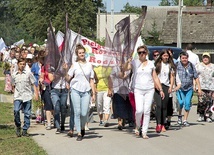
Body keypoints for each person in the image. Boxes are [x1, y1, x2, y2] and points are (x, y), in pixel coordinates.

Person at [123, 45, 164, 139]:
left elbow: (155, 77)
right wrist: (127, 62)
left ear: (146, 53)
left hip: (149, 89)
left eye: (143, 52)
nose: (141, 54)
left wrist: (160, 89)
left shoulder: (150, 64)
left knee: (146, 111)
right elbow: (125, 69)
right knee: (139, 110)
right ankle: (137, 125)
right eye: (140, 53)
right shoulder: (134, 62)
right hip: (138, 89)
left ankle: (144, 131)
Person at [66, 44, 95, 141]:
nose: (81, 54)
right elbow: (68, 78)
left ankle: (82, 127)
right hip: (75, 90)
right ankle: (78, 132)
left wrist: (93, 93)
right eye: (80, 53)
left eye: (83, 53)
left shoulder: (90, 65)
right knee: (77, 112)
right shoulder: (75, 65)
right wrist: (66, 70)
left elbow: (91, 80)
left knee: (84, 112)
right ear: (77, 55)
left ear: (85, 54)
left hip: (86, 90)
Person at [176, 52, 202, 126]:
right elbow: (172, 75)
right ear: (180, 58)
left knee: (187, 104)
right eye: (183, 58)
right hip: (180, 88)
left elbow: (196, 77)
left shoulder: (191, 65)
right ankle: (179, 116)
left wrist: (199, 88)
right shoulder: (177, 65)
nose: (184, 59)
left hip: (189, 88)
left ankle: (185, 120)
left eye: (186, 58)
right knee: (180, 103)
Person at [12, 58, 36, 137]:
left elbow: (33, 83)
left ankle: (25, 129)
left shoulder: (28, 73)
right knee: (16, 111)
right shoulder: (14, 74)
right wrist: (13, 95)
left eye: (23, 64)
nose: (22, 66)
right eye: (21, 64)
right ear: (18, 64)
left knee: (27, 113)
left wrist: (36, 93)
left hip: (27, 95)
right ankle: (18, 126)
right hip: (18, 96)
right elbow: (13, 85)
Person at [154, 50, 175, 132]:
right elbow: (154, 75)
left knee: (164, 106)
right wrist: (155, 85)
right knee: (158, 105)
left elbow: (172, 76)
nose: (166, 57)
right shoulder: (157, 64)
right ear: (161, 56)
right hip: (158, 85)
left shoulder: (170, 65)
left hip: (166, 86)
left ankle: (163, 124)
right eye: (164, 56)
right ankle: (158, 123)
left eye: (167, 56)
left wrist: (171, 86)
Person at [195, 52, 214, 123]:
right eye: (204, 57)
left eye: (207, 57)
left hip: (211, 87)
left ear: (209, 58)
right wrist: (195, 85)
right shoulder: (198, 66)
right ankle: (201, 114)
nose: (205, 58)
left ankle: (208, 115)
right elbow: (195, 76)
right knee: (202, 101)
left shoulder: (213, 66)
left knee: (210, 102)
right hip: (201, 86)